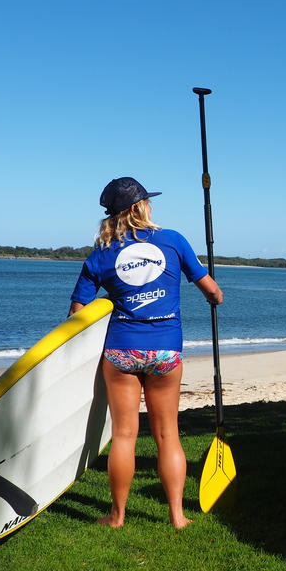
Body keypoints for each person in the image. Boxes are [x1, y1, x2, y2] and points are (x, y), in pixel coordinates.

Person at [69, 176, 223, 529]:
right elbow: (212, 291)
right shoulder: (173, 240)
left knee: (124, 435)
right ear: (140, 206)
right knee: (167, 435)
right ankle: (177, 516)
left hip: (121, 351)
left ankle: (117, 516)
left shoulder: (101, 254)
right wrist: (215, 297)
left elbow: (78, 313)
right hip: (165, 350)